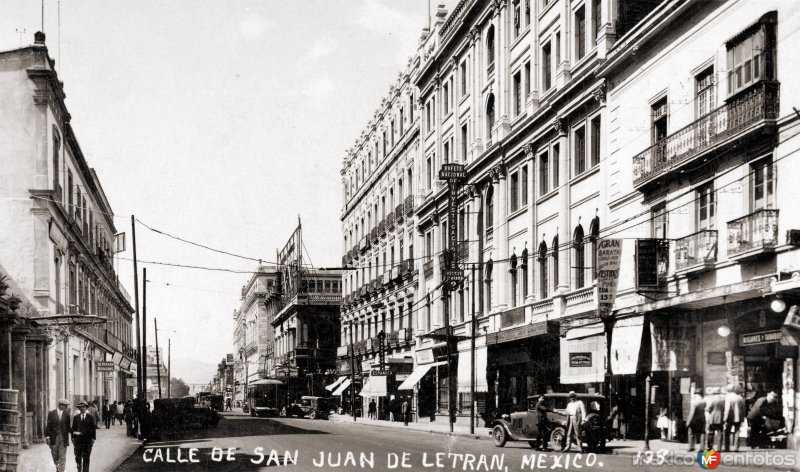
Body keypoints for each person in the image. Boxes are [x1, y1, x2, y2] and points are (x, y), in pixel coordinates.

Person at [46, 399, 72, 472]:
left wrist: (74, 432)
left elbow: (68, 427)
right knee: (55, 455)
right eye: (65, 406)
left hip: (63, 438)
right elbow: (48, 426)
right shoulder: (51, 413)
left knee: (62, 457)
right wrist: (47, 437)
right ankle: (58, 469)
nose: (67, 407)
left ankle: (61, 471)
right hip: (53, 438)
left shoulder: (67, 414)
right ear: (61, 405)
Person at [71, 401, 96, 472]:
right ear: (79, 408)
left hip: (87, 441)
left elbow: (93, 429)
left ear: (86, 408)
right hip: (78, 440)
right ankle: (79, 468)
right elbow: (73, 428)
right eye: (80, 407)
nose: (82, 408)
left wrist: (93, 439)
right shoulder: (76, 417)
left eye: (83, 407)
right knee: (78, 457)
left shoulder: (90, 417)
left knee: (86, 457)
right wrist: (72, 438)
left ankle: (85, 471)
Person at [723, 385, 746, 451]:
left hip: (730, 417)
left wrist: (725, 418)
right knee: (737, 431)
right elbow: (743, 409)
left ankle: (727, 447)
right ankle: (736, 447)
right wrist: (743, 418)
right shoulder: (740, 398)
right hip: (738, 417)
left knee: (727, 431)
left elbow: (727, 409)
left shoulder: (728, 398)